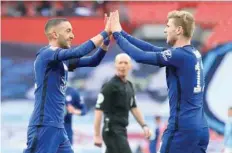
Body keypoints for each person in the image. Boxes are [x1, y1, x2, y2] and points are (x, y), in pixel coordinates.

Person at [109, 10, 209, 153]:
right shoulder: (192, 53)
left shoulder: (179, 55)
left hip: (182, 128)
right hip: (200, 127)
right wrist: (121, 32)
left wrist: (117, 35)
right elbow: (151, 48)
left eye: (168, 26)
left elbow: (140, 56)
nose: (165, 30)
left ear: (179, 30)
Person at [24, 16, 111, 153]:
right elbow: (79, 51)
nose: (72, 35)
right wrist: (105, 31)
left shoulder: (63, 60)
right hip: (44, 125)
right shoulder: (47, 54)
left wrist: (105, 42)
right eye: (68, 31)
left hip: (59, 127)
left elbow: (93, 61)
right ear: (55, 34)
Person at [93, 53, 151, 153]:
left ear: (130, 66)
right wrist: (97, 135)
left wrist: (144, 126)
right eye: (120, 63)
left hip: (122, 130)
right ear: (115, 65)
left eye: (125, 63)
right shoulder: (109, 86)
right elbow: (98, 110)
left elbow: (134, 107)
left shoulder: (129, 85)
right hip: (112, 130)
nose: (123, 65)